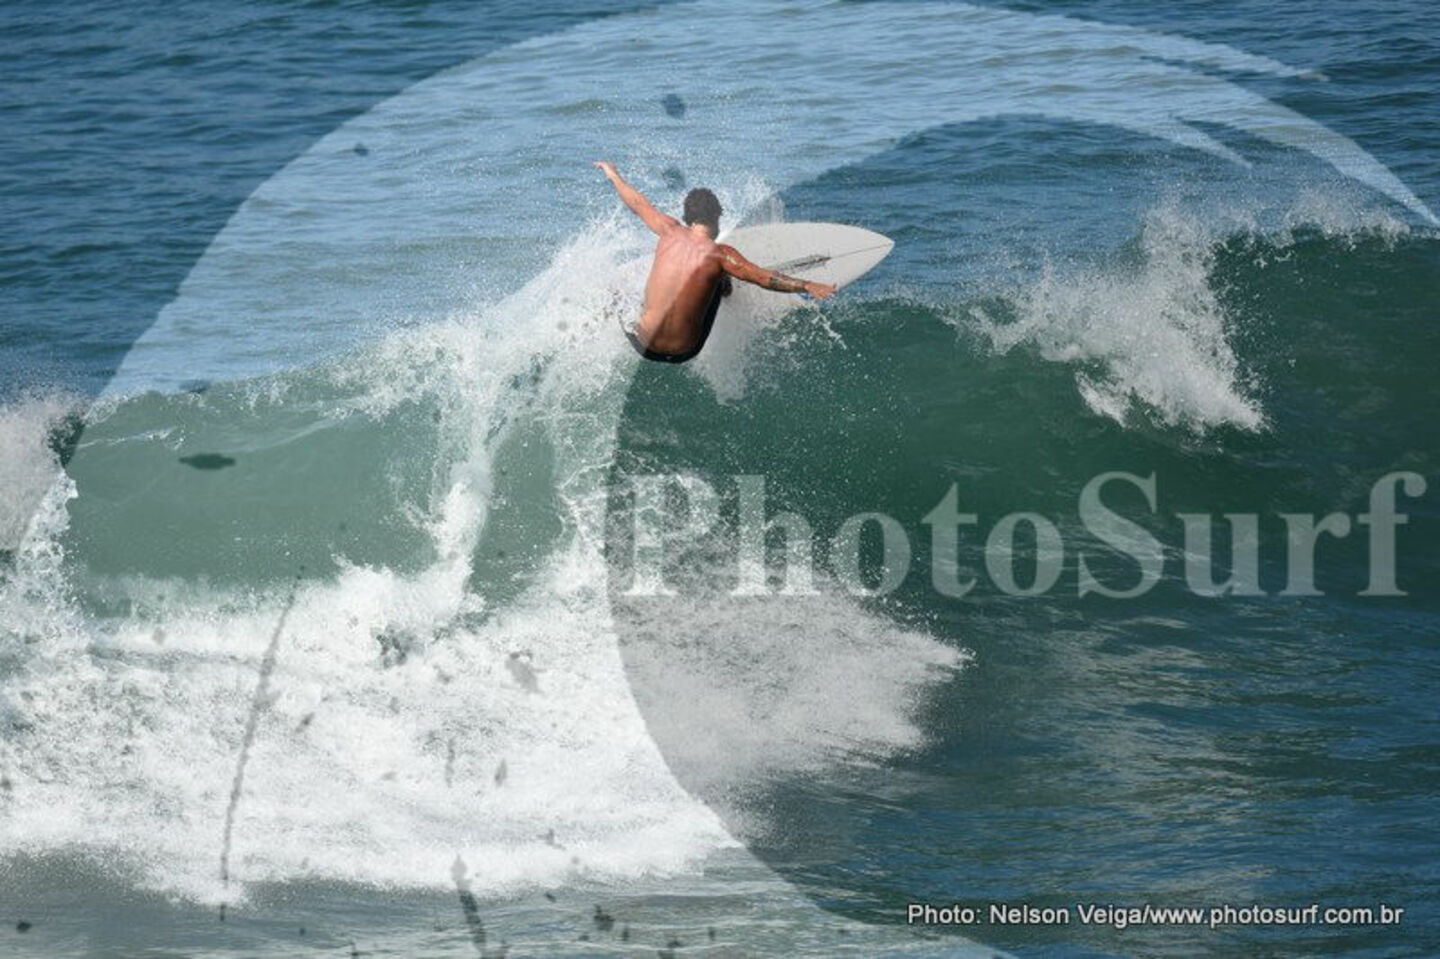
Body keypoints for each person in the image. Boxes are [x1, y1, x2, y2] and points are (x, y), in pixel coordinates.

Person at [595, 161, 835, 363]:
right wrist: (806, 285)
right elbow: (763, 278)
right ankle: (726, 288)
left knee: (622, 296)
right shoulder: (721, 255)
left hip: (642, 345)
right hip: (683, 352)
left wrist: (613, 174)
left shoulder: (668, 230)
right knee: (721, 276)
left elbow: (637, 203)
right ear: (718, 214)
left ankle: (597, 318)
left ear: (686, 217)